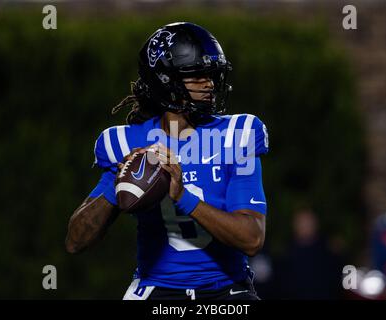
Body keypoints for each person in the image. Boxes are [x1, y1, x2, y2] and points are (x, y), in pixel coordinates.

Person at [65, 22, 269, 300]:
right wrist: (120, 182)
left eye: (211, 75)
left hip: (228, 291)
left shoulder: (238, 134)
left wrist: (182, 196)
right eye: (197, 76)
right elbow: (76, 241)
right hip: (157, 289)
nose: (209, 84)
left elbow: (252, 238)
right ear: (166, 81)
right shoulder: (126, 142)